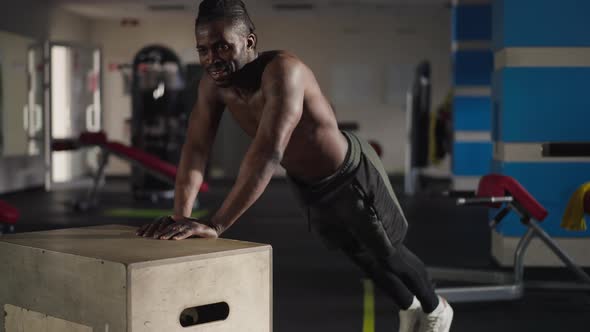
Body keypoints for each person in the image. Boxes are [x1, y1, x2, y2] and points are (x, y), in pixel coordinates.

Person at [136, 1, 453, 331]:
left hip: (349, 174)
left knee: (386, 252)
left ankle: (435, 309)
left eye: (222, 47)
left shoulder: (284, 72)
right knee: (356, 253)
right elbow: (197, 146)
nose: (212, 59)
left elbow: (269, 153)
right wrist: (180, 217)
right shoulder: (212, 86)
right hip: (308, 184)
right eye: (203, 50)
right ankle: (410, 307)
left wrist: (216, 224)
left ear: (249, 40)